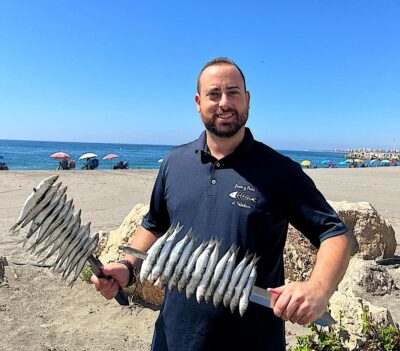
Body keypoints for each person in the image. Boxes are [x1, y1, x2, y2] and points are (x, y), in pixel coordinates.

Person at [91, 58, 351, 350]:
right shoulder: (175, 163)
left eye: (233, 92)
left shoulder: (281, 171)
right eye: (214, 94)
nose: (224, 103)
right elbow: (155, 223)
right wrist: (127, 266)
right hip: (175, 336)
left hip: (252, 340)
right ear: (198, 102)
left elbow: (335, 233)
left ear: (247, 99)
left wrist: (318, 289)